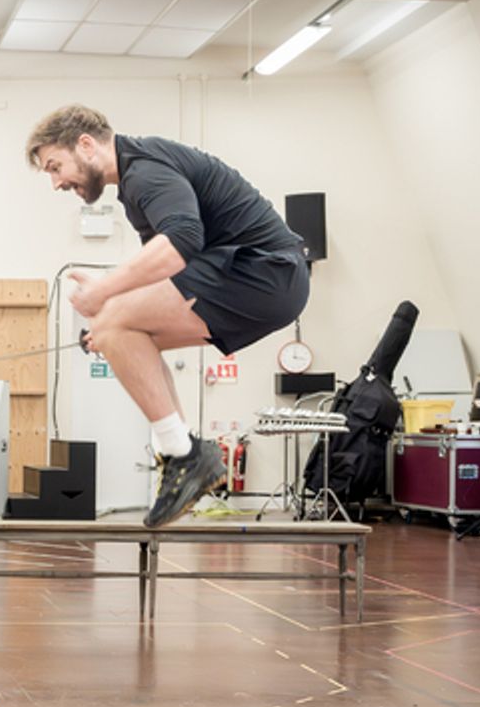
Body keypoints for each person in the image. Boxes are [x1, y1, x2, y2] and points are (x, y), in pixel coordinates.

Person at [26, 104, 310, 527]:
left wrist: (106, 295)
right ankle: (183, 457)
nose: (55, 182)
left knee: (115, 323)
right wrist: (108, 319)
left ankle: (187, 456)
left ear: (85, 145)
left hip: (265, 271)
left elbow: (182, 241)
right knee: (122, 332)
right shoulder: (135, 181)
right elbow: (165, 271)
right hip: (264, 278)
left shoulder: (145, 171)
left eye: (55, 166)